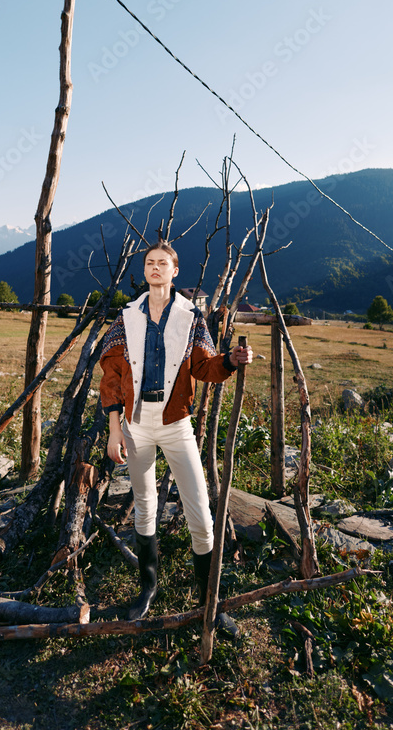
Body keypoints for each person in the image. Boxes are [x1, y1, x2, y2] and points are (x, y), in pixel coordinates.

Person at [101, 242, 253, 629]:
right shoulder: (126, 317)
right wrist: (114, 428)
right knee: (144, 504)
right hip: (136, 424)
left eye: (162, 264)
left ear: (174, 271)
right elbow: (113, 377)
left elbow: (204, 367)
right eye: (149, 263)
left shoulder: (191, 318)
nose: (155, 268)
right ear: (145, 271)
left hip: (175, 423)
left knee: (201, 515)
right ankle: (147, 588)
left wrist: (230, 362)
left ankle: (208, 602)